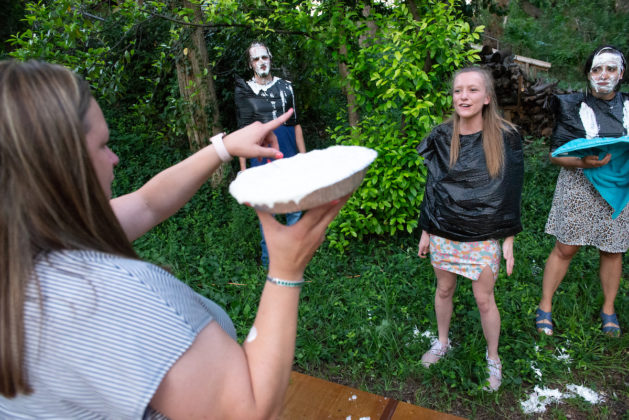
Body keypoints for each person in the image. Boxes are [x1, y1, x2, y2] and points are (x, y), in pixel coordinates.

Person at [0, 59, 347, 419]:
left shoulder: (26, 243)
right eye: (102, 145)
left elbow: (147, 203)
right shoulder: (101, 297)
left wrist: (224, 147)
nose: (114, 158)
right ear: (62, 167)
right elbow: (249, 413)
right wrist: (286, 269)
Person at [416, 67, 524, 392]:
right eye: (458, 90)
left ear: (487, 97)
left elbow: (510, 191)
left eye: (472, 90)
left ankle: (494, 357)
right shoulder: (441, 136)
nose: (463, 96)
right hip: (444, 230)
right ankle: (442, 342)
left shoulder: (506, 137)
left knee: (484, 299)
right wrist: (426, 229)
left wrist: (508, 238)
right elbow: (433, 186)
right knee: (444, 290)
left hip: (483, 234)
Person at [535, 45, 629, 337]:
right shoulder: (572, 106)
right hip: (580, 182)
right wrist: (582, 162)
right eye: (597, 69)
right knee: (566, 247)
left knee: (613, 249)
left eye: (610, 69)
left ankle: (609, 309)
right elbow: (555, 155)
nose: (604, 75)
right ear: (588, 74)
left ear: (621, 74)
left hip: (620, 187)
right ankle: (545, 305)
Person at [234, 40, 306, 266]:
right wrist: (243, 170)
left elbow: (295, 124)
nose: (261, 62)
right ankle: (269, 264)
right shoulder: (245, 92)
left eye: (264, 57)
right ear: (250, 64)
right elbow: (243, 134)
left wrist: (304, 158)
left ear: (270, 59)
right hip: (261, 165)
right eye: (256, 59)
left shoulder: (286, 87)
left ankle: (293, 260)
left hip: (290, 160)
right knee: (267, 216)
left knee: (294, 212)